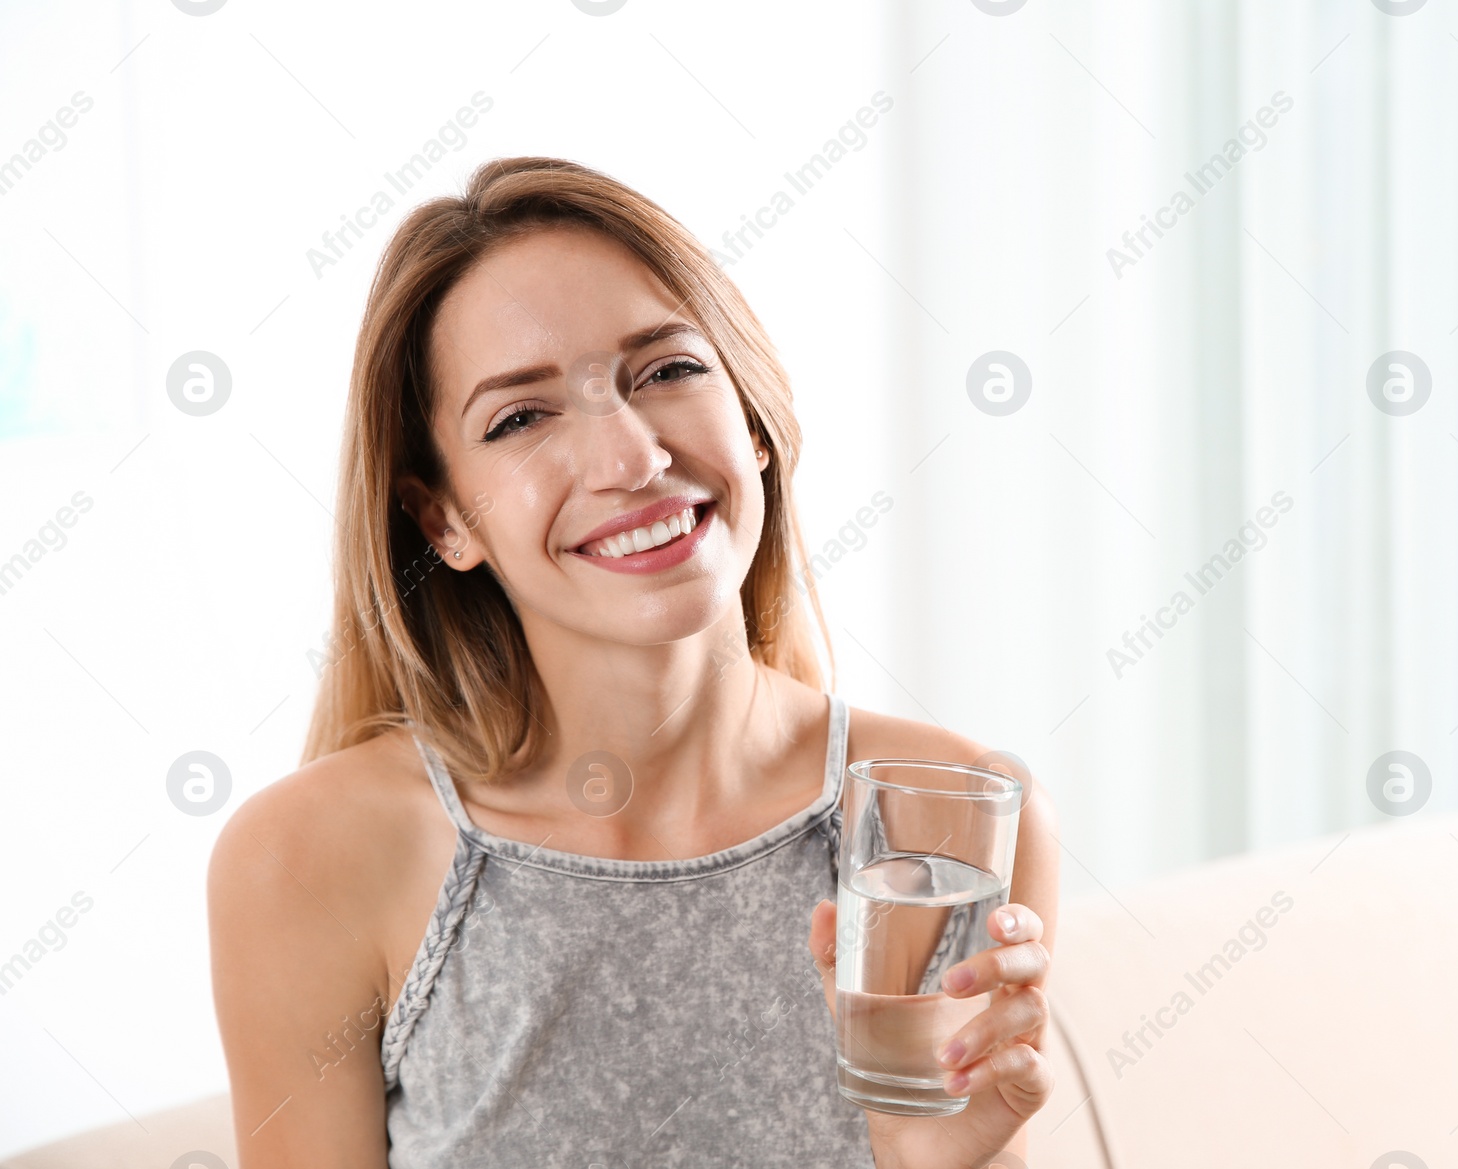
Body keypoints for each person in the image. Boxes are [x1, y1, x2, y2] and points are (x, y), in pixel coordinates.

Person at [206, 156, 1059, 1168]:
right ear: (442, 519)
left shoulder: (949, 821)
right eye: (520, 418)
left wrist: (938, 1161)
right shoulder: (307, 859)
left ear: (751, 420)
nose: (631, 459)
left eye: (667, 369)